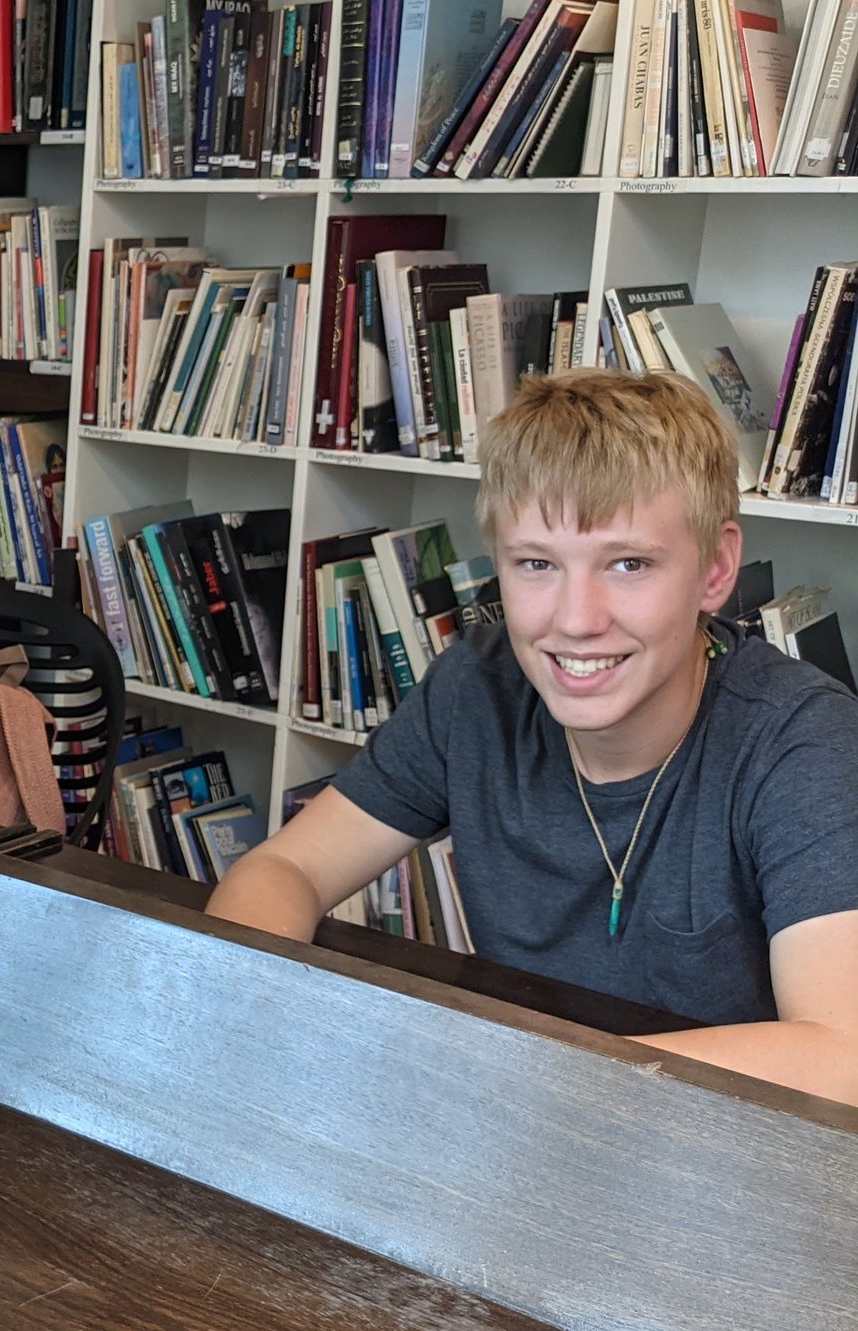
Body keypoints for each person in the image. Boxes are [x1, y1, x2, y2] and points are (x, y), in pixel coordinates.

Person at [208, 369, 858, 1106]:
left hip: (722, 1158)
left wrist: (519, 1080)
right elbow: (286, 869)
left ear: (715, 569)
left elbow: (843, 1056)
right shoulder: (476, 689)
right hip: (527, 1129)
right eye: (537, 564)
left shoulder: (803, 739)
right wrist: (251, 999)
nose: (576, 619)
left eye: (629, 563)